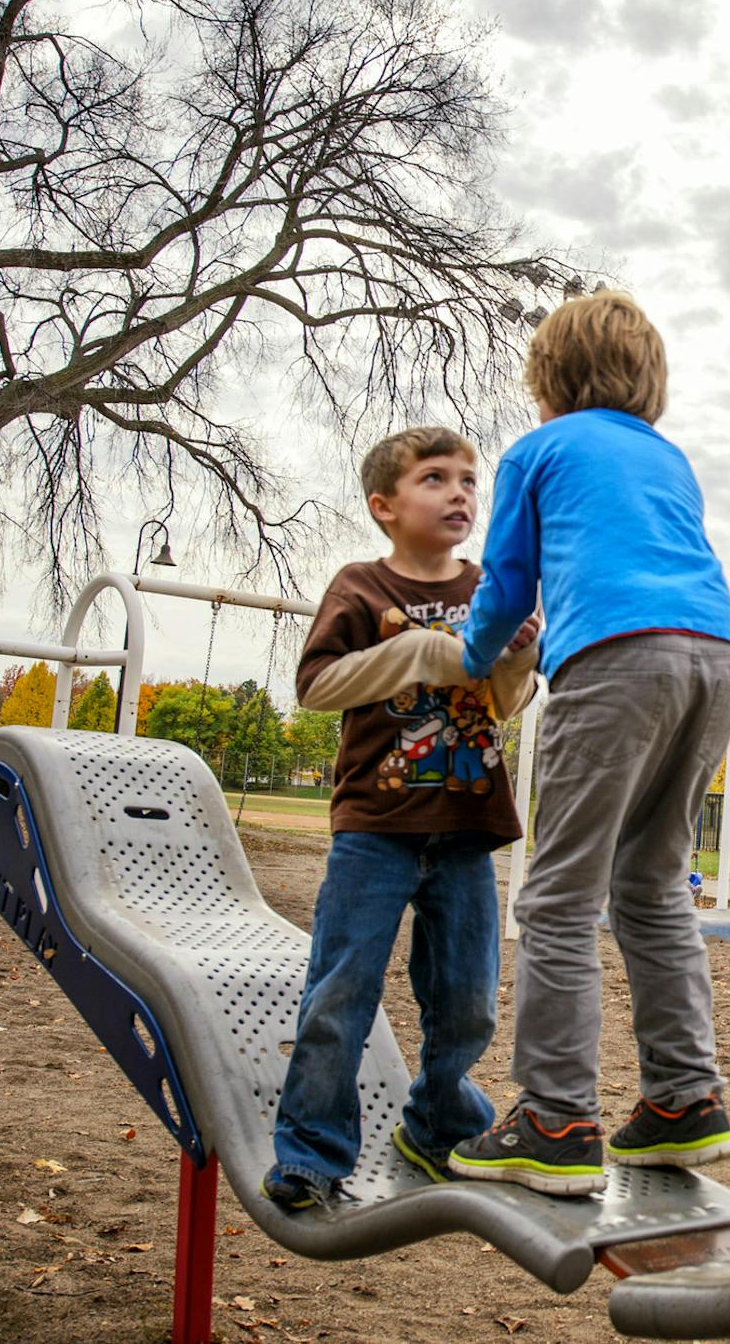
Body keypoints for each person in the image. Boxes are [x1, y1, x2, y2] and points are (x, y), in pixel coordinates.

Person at [447, 291, 730, 1196]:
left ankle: (553, 1119)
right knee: (653, 885)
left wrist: (474, 661)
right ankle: (682, 1103)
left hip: (621, 657)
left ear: (551, 379)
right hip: (722, 656)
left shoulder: (539, 449)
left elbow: (505, 584)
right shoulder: (669, 457)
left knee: (558, 896)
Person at [262, 426, 541, 1212]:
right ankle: (312, 1151)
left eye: (467, 479)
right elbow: (315, 686)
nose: (459, 492)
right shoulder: (361, 586)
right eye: (435, 478)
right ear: (385, 506)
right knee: (340, 992)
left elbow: (504, 703)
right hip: (376, 828)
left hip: (467, 825)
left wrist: (516, 655)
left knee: (469, 1001)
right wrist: (419, 650)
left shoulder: (490, 587)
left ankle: (440, 1124)